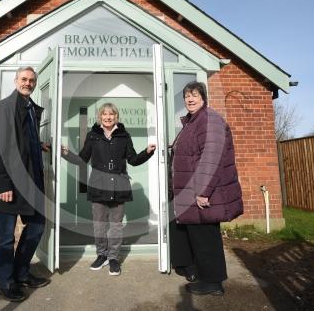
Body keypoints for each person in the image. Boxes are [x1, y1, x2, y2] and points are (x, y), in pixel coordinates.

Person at [61, 103, 156, 276]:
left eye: (111, 114)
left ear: (116, 117)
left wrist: (147, 152)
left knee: (116, 226)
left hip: (119, 186)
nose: (108, 117)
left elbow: (133, 159)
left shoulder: (124, 136)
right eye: (104, 114)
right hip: (98, 186)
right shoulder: (93, 135)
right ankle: (101, 255)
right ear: (100, 117)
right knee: (99, 225)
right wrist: (65, 153)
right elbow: (82, 159)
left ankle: (113, 258)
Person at [169, 81, 243, 296]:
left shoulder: (209, 120)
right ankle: (205, 276)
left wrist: (203, 192)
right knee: (198, 237)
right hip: (190, 192)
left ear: (203, 97)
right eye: (186, 96)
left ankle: (213, 283)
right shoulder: (194, 121)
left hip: (201, 193)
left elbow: (211, 158)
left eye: (194, 95)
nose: (190, 99)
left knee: (206, 238)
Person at [0, 66, 51, 302]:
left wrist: (39, 145)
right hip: (9, 185)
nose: (28, 83)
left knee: (37, 226)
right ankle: (5, 281)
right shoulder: (5, 107)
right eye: (24, 79)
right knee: (5, 236)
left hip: (30, 183)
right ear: (16, 81)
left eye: (32, 80)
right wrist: (3, 185)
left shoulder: (31, 109)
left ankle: (21, 272)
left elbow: (23, 141)